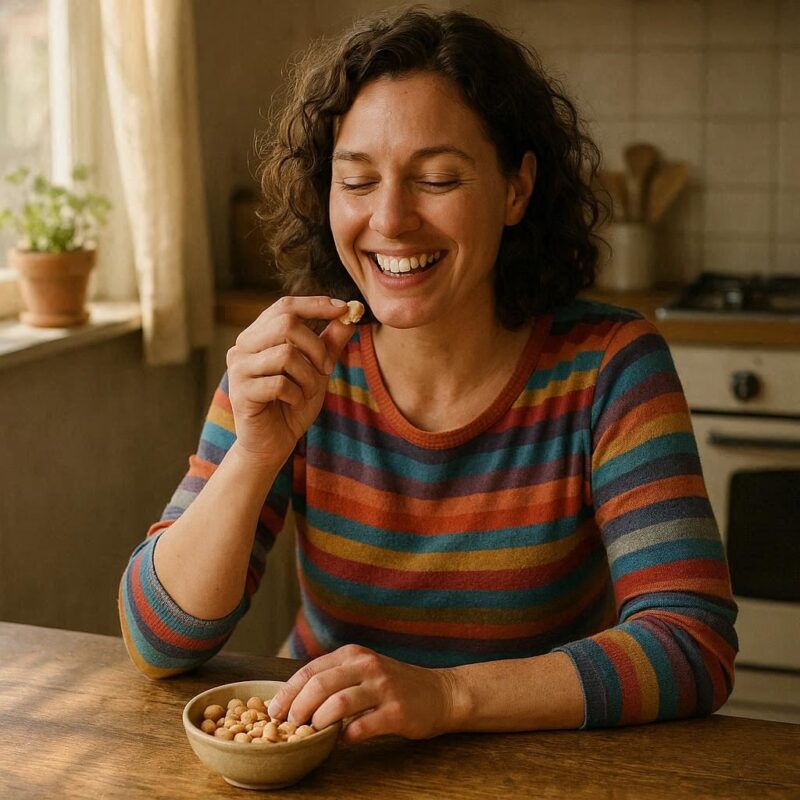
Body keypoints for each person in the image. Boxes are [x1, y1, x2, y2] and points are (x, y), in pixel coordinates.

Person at [119, 8, 738, 742]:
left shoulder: (610, 366)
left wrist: (448, 698)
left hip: (543, 765)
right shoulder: (292, 362)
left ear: (516, 190)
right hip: (328, 760)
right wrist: (255, 452)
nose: (390, 218)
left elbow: (690, 641)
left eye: (437, 179)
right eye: (356, 182)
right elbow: (157, 640)